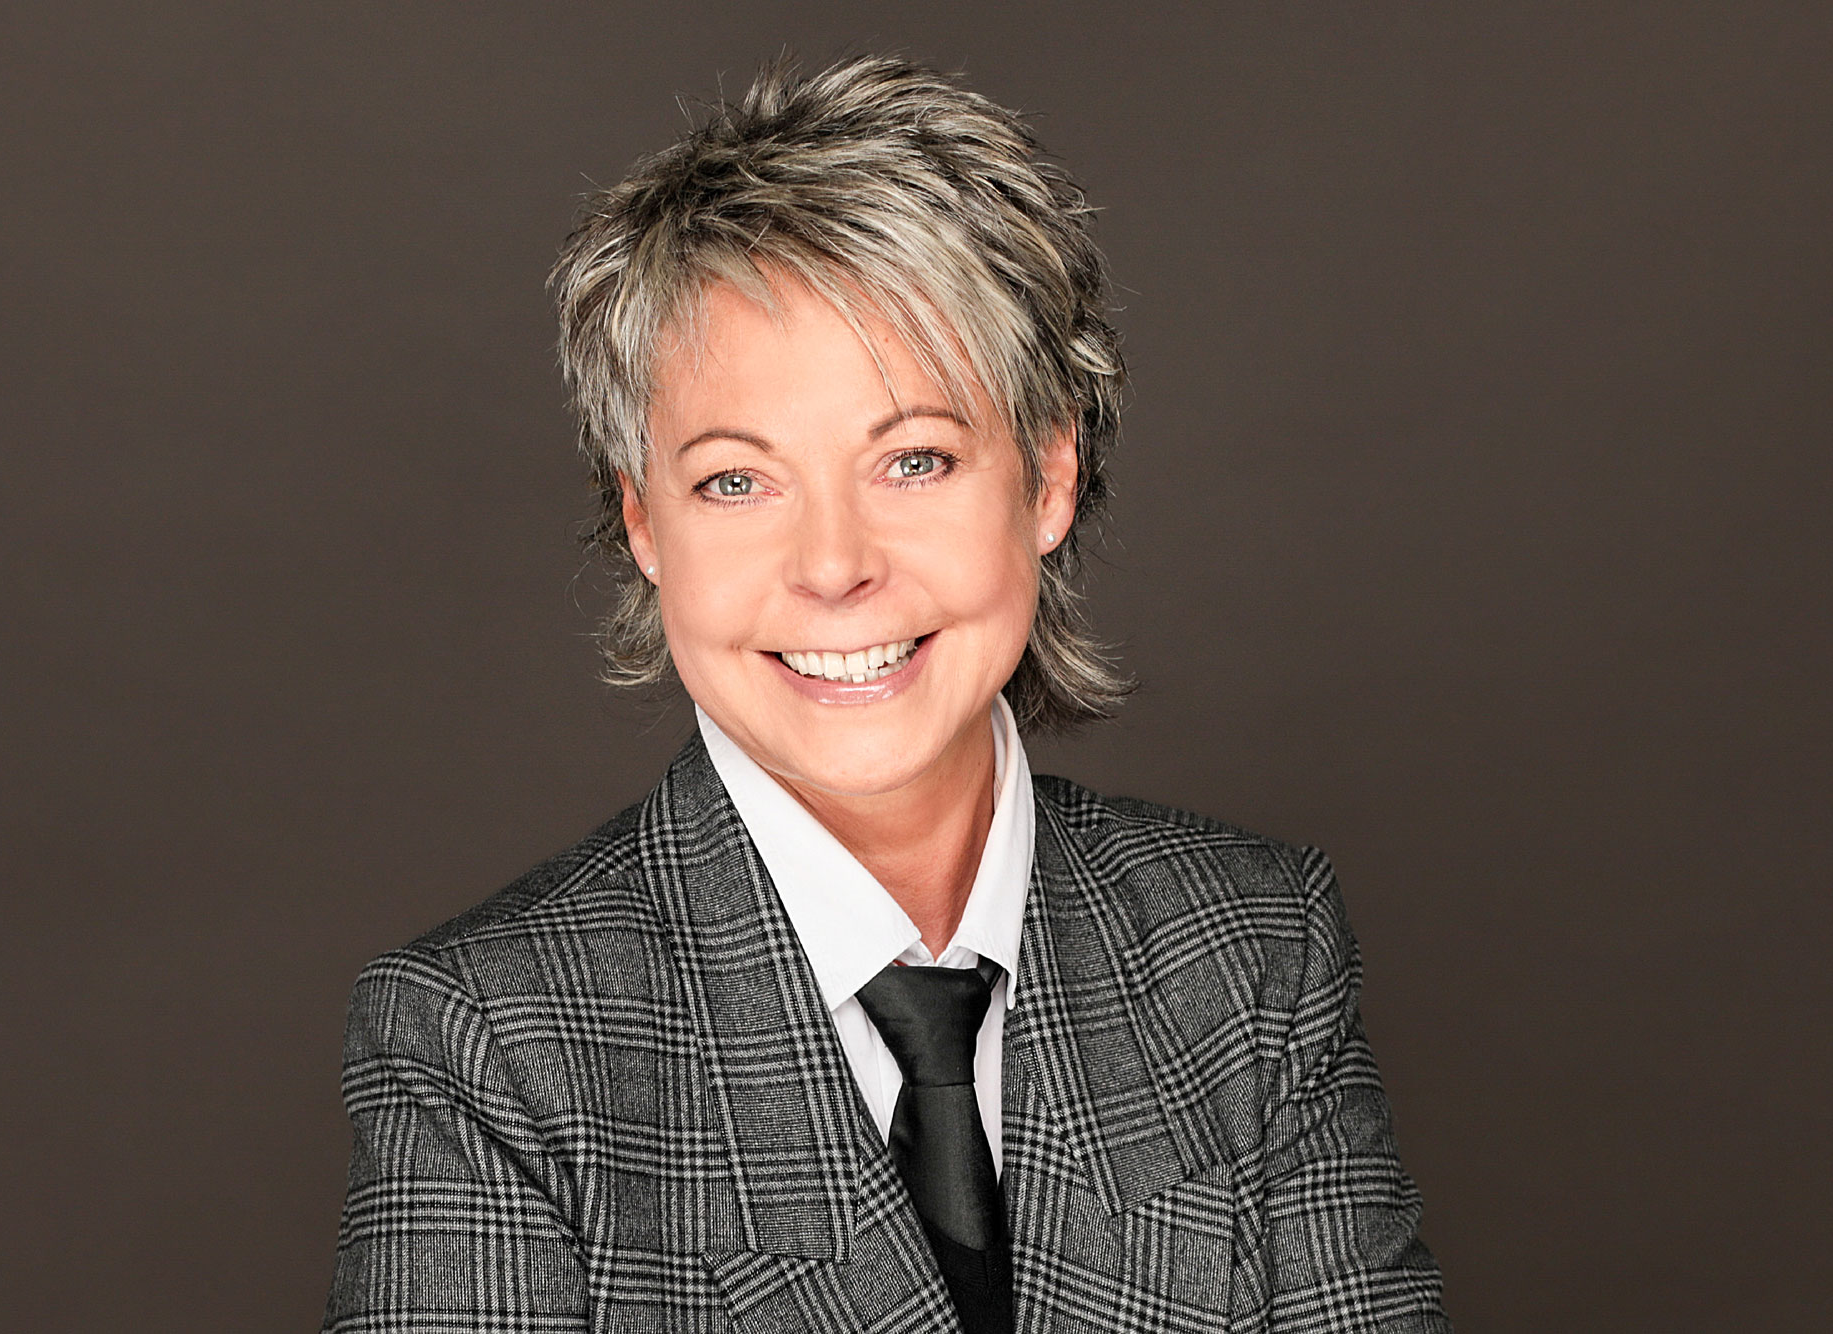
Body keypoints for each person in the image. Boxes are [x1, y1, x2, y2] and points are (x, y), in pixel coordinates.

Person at [323, 54, 1448, 1333]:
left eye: (913, 458)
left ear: (1047, 476)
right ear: (642, 522)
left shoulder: (1252, 949)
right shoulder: (484, 1041)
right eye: (735, 480)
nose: (833, 565)